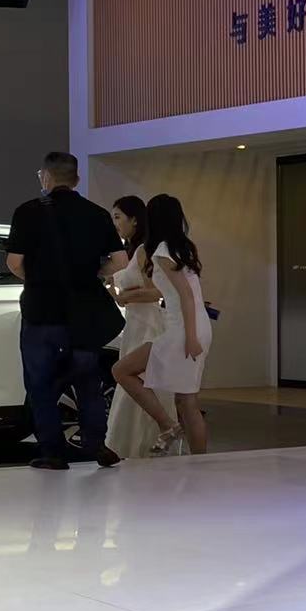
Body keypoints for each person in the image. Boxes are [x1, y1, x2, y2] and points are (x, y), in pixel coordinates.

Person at [5, 151, 127, 470]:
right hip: (84, 312)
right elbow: (120, 261)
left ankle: (53, 452)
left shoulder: (27, 212)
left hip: (41, 312)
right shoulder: (97, 214)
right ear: (77, 179)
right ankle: (96, 444)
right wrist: (93, 274)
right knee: (87, 380)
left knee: (41, 383)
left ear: (46, 176)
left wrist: (40, 280)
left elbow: (14, 262)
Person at [112, 194, 213, 455]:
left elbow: (186, 296)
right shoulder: (182, 248)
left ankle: (168, 426)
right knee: (186, 400)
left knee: (123, 371)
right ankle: (192, 452)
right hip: (190, 327)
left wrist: (190, 338)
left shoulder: (162, 252)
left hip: (184, 329)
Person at [105, 196, 169, 459]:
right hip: (135, 322)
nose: (115, 223)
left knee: (137, 378)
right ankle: (135, 444)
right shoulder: (132, 250)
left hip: (147, 322)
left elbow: (156, 291)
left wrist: (123, 297)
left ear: (134, 219)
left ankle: (148, 440)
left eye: (118, 217)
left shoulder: (144, 250)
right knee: (134, 380)